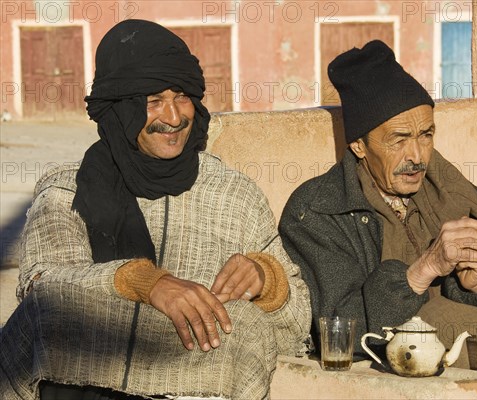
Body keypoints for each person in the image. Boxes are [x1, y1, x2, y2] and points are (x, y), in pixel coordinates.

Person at [0, 19, 310, 400]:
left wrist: (267, 280)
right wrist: (144, 283)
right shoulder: (67, 191)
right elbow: (41, 291)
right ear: (119, 110)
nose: (174, 117)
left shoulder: (235, 196)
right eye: (152, 102)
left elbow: (298, 328)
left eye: (182, 97)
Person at [279, 40, 477, 399]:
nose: (417, 156)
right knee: (449, 319)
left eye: (426, 135)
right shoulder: (319, 209)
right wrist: (422, 271)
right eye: (398, 140)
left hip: (457, 335)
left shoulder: (453, 194)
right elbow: (338, 328)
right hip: (397, 349)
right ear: (360, 146)